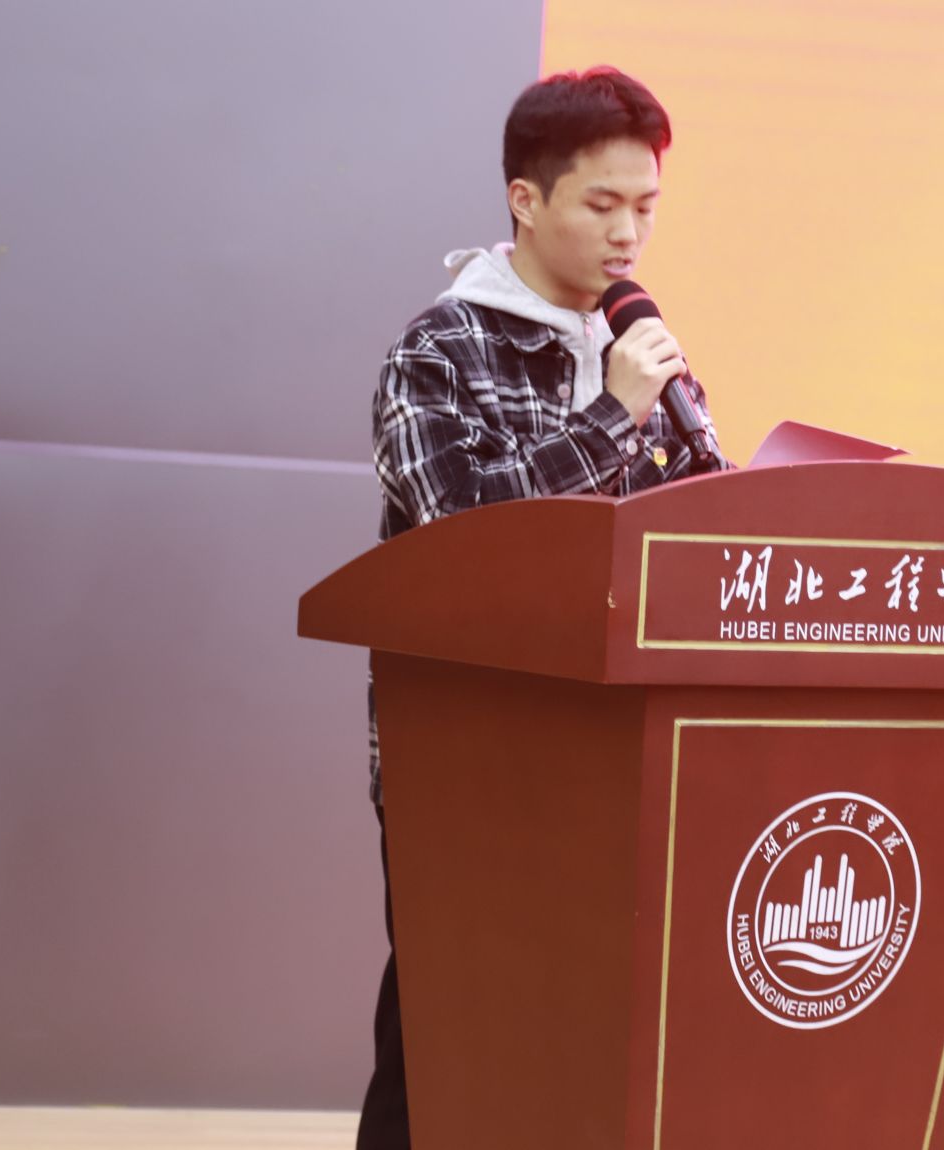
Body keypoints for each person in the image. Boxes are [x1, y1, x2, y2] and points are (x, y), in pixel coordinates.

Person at [356, 65, 729, 1150]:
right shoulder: (439, 352)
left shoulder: (648, 354)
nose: (629, 236)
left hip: (626, 748)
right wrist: (614, 414)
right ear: (525, 199)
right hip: (466, 754)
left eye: (646, 207)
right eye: (602, 205)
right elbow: (467, 533)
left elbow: (698, 530)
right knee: (448, 1031)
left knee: (594, 1039)